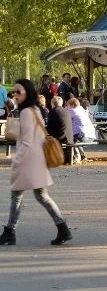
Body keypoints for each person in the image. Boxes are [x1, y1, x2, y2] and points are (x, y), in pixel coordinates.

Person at [0, 79, 72, 246]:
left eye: (18, 92)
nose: (15, 95)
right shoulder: (34, 110)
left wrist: (16, 161)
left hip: (28, 161)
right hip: (38, 159)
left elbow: (26, 141)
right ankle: (62, 228)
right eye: (14, 92)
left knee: (17, 196)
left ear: (27, 93)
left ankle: (10, 232)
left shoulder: (26, 112)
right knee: (42, 196)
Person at [66, 97, 95, 163]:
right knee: (75, 137)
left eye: (68, 105)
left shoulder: (73, 111)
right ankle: (82, 156)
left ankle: (76, 157)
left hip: (83, 136)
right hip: (91, 136)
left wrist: (66, 110)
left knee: (70, 139)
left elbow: (66, 120)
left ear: (72, 105)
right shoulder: (82, 110)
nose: (67, 107)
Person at [47, 97, 74, 165]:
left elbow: (50, 128)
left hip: (61, 137)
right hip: (69, 137)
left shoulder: (53, 111)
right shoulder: (67, 111)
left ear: (52, 103)